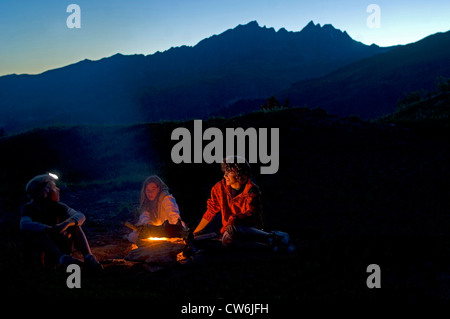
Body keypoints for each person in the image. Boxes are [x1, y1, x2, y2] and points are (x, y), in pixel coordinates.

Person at [193, 156, 294, 252]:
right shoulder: (219, 188)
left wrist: (233, 220)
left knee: (237, 230)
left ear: (239, 174)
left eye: (228, 172)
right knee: (228, 241)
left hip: (249, 228)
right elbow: (211, 211)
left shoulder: (251, 189)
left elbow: (252, 214)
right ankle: (271, 247)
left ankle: (272, 237)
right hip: (230, 229)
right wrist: (195, 233)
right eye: (225, 172)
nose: (225, 175)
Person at [20, 173, 103, 270]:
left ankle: (88, 257)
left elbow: (80, 216)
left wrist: (66, 224)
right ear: (45, 193)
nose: (58, 190)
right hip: (44, 249)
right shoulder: (30, 208)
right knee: (38, 234)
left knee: (74, 225)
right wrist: (48, 229)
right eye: (54, 188)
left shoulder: (59, 207)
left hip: (59, 243)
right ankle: (63, 259)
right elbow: (24, 224)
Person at [126, 175, 185, 244]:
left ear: (159, 189)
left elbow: (174, 215)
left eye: (153, 189)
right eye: (148, 190)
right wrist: (149, 225)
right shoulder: (148, 202)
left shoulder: (167, 199)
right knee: (133, 236)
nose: (150, 193)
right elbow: (144, 217)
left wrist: (178, 230)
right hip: (155, 231)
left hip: (169, 230)